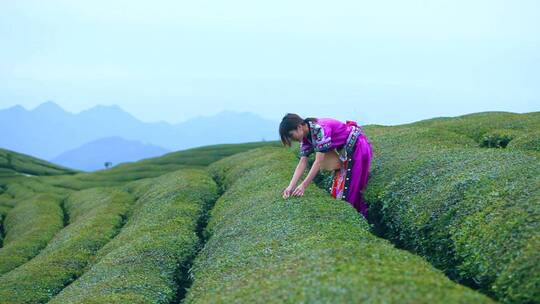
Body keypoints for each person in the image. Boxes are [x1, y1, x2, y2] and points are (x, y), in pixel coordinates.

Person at [279, 113, 373, 218]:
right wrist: (290, 187)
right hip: (345, 151)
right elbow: (302, 162)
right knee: (340, 191)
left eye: (291, 135)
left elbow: (318, 161)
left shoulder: (319, 129)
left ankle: (362, 218)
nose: (292, 139)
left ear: (299, 127)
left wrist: (303, 186)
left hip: (358, 147)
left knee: (351, 190)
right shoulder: (306, 137)